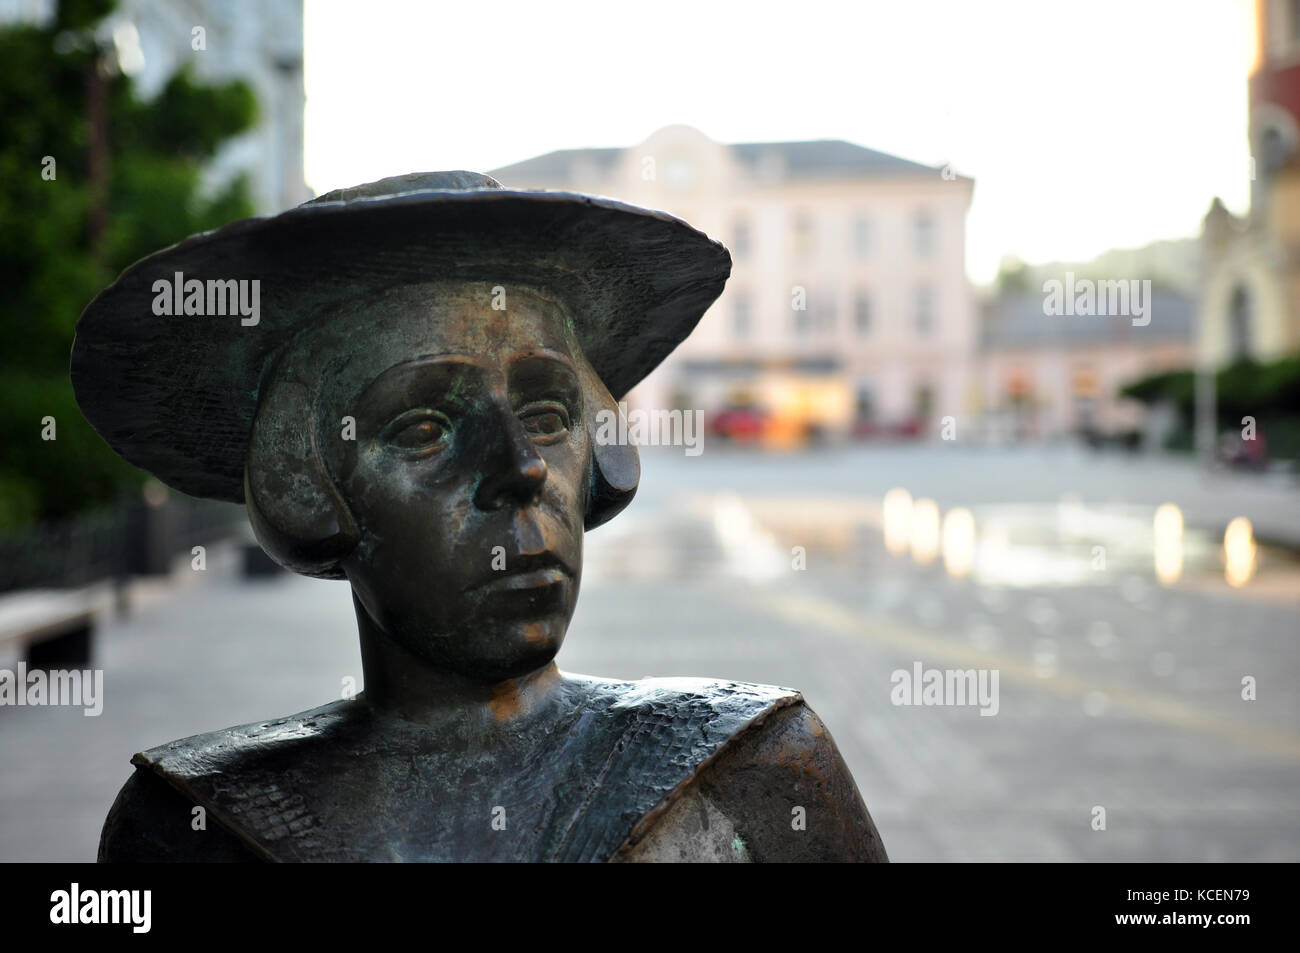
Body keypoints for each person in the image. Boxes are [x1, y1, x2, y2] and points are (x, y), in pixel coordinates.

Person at [74, 171, 888, 862]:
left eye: (545, 412)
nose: (521, 468)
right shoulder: (192, 829)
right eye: (424, 428)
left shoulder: (759, 771)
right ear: (307, 487)